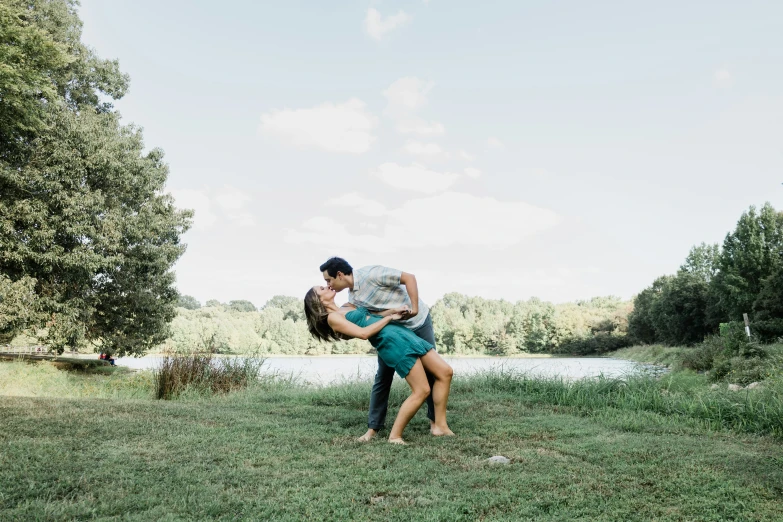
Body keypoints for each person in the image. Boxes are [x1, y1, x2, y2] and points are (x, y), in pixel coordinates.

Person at [304, 284, 454, 444]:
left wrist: (393, 313)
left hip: (401, 333)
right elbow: (364, 333)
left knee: (445, 372)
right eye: (321, 289)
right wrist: (389, 318)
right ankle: (395, 436)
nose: (326, 286)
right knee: (422, 390)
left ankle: (440, 426)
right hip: (391, 342)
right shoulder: (332, 318)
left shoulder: (346, 306)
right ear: (317, 301)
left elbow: (372, 315)